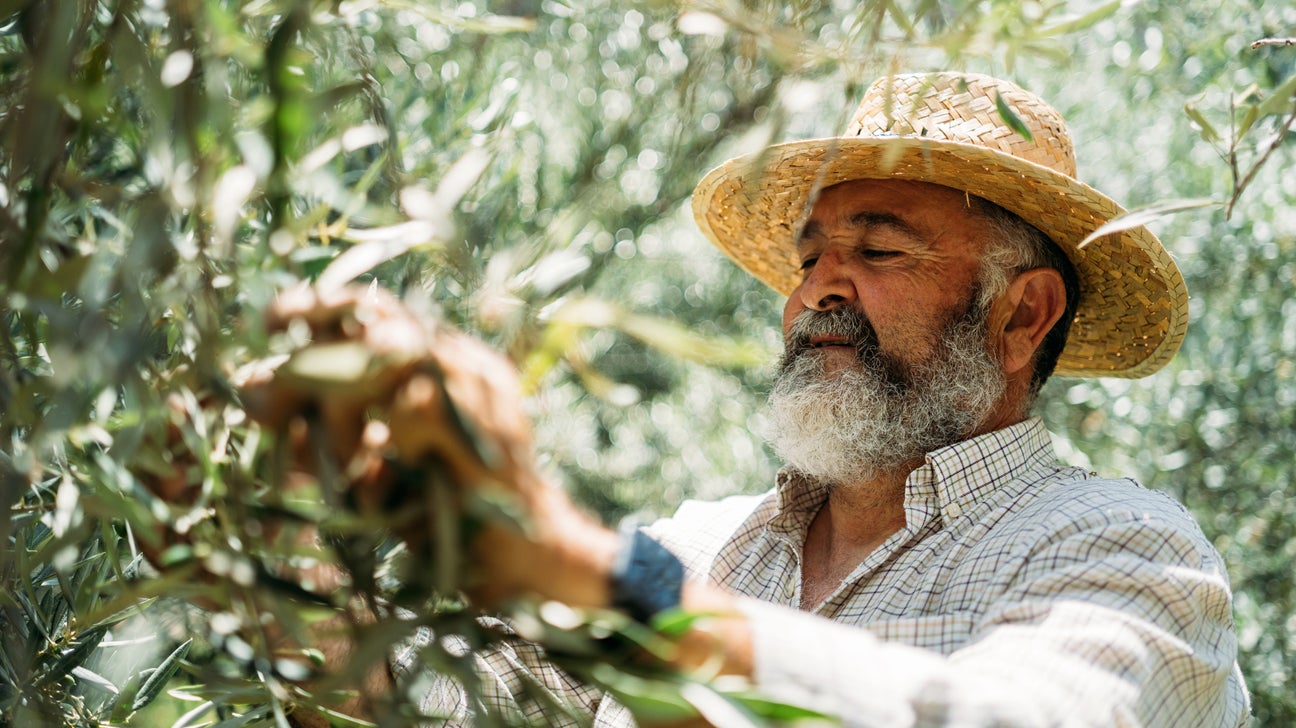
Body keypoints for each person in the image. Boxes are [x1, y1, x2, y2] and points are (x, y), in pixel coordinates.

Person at [257, 72, 1250, 726]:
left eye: (877, 250)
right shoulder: (704, 547)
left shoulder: (1125, 551)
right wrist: (279, 537)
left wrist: (578, 562)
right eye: (809, 254)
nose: (818, 287)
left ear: (1022, 315)